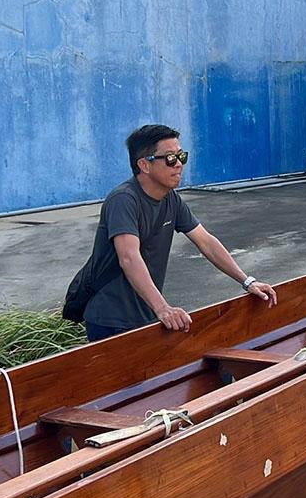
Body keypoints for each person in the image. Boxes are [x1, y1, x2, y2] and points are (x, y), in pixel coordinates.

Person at [78, 124, 276, 342]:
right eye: (170, 158)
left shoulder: (170, 199)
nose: (179, 164)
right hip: (111, 320)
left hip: (147, 312)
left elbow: (206, 242)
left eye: (181, 156)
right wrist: (162, 308)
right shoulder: (124, 200)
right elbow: (129, 257)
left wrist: (247, 281)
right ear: (144, 165)